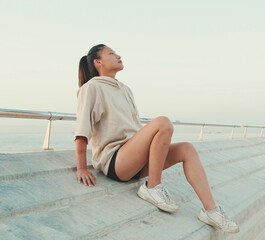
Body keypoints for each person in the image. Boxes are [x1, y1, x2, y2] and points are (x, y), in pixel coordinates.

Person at [75, 44, 239, 233]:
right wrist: (81, 167)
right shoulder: (92, 87)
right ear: (98, 62)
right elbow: (82, 130)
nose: (118, 55)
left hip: (135, 159)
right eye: (111, 53)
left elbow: (134, 130)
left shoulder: (125, 89)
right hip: (116, 161)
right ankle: (153, 187)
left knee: (187, 149)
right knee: (163, 122)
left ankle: (212, 210)